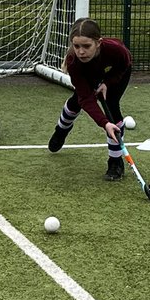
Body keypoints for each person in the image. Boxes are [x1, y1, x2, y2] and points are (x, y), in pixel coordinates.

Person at [47, 18, 127, 181]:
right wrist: (104, 123)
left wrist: (107, 82)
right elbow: (86, 98)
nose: (81, 51)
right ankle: (61, 130)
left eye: (86, 46)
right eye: (76, 46)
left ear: (98, 43)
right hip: (87, 72)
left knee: (112, 105)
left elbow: (125, 64)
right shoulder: (74, 62)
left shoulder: (116, 50)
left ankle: (115, 162)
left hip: (114, 73)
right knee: (77, 100)